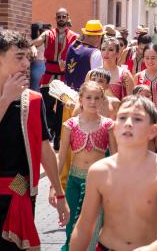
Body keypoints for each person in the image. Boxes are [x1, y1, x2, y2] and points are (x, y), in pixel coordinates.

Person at [0, 30, 67, 250]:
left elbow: (44, 149)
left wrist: (59, 193)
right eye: (19, 57)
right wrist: (6, 99)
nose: (26, 63)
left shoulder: (34, 99)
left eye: (27, 57)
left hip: (19, 189)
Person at [69, 96, 157, 251]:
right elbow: (84, 226)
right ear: (115, 128)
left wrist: (154, 248)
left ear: (153, 131)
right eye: (122, 118)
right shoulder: (99, 171)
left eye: (137, 119)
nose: (128, 124)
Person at [58, 81, 116, 250]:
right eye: (88, 98)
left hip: (100, 184)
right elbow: (61, 157)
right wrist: (54, 187)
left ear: (102, 101)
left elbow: (115, 157)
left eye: (97, 98)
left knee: (97, 226)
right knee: (72, 225)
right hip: (75, 180)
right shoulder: (70, 125)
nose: (92, 102)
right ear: (81, 99)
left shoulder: (108, 125)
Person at [32, 8, 78, 149]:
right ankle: (51, 128)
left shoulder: (75, 37)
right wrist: (33, 47)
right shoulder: (48, 34)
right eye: (59, 16)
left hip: (65, 77)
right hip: (49, 74)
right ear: (56, 18)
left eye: (64, 16)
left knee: (62, 109)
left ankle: (58, 137)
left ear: (67, 17)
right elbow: (35, 42)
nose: (61, 19)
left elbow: (79, 53)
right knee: (45, 105)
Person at [133, 84, 157, 155]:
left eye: (148, 96)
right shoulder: (128, 119)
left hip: (149, 159)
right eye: (141, 96)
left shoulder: (155, 120)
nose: (145, 99)